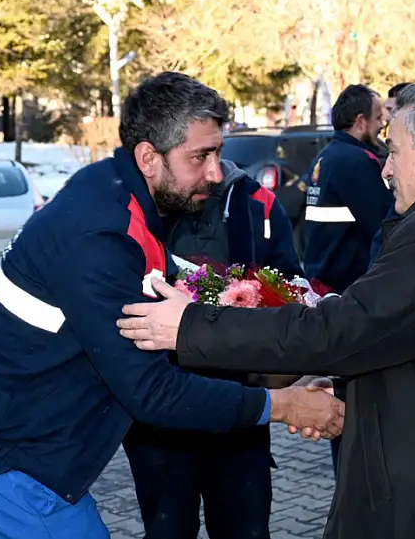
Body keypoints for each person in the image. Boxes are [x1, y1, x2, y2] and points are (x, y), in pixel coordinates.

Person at [118, 83, 415, 539]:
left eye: (393, 151)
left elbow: (344, 330)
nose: (386, 169)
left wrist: (192, 326)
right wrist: (347, 387)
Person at [0, 72, 344, 538]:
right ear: (149, 157)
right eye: (200, 156)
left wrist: (282, 370)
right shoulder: (100, 234)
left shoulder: (117, 194)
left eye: (218, 153)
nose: (215, 171)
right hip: (7, 460)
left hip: (30, 451)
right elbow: (151, 391)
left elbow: (176, 315)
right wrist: (284, 405)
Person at [120, 149, 304, 538]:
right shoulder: (134, 205)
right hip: (161, 414)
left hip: (241, 409)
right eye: (198, 152)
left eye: (214, 150)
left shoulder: (257, 202)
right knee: (168, 528)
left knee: (246, 530)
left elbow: (290, 290)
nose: (210, 165)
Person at [301, 83, 394, 476]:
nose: (382, 125)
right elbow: (385, 224)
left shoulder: (327, 156)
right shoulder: (357, 162)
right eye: (378, 118)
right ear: (360, 121)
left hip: (329, 286)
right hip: (352, 290)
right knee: (352, 405)